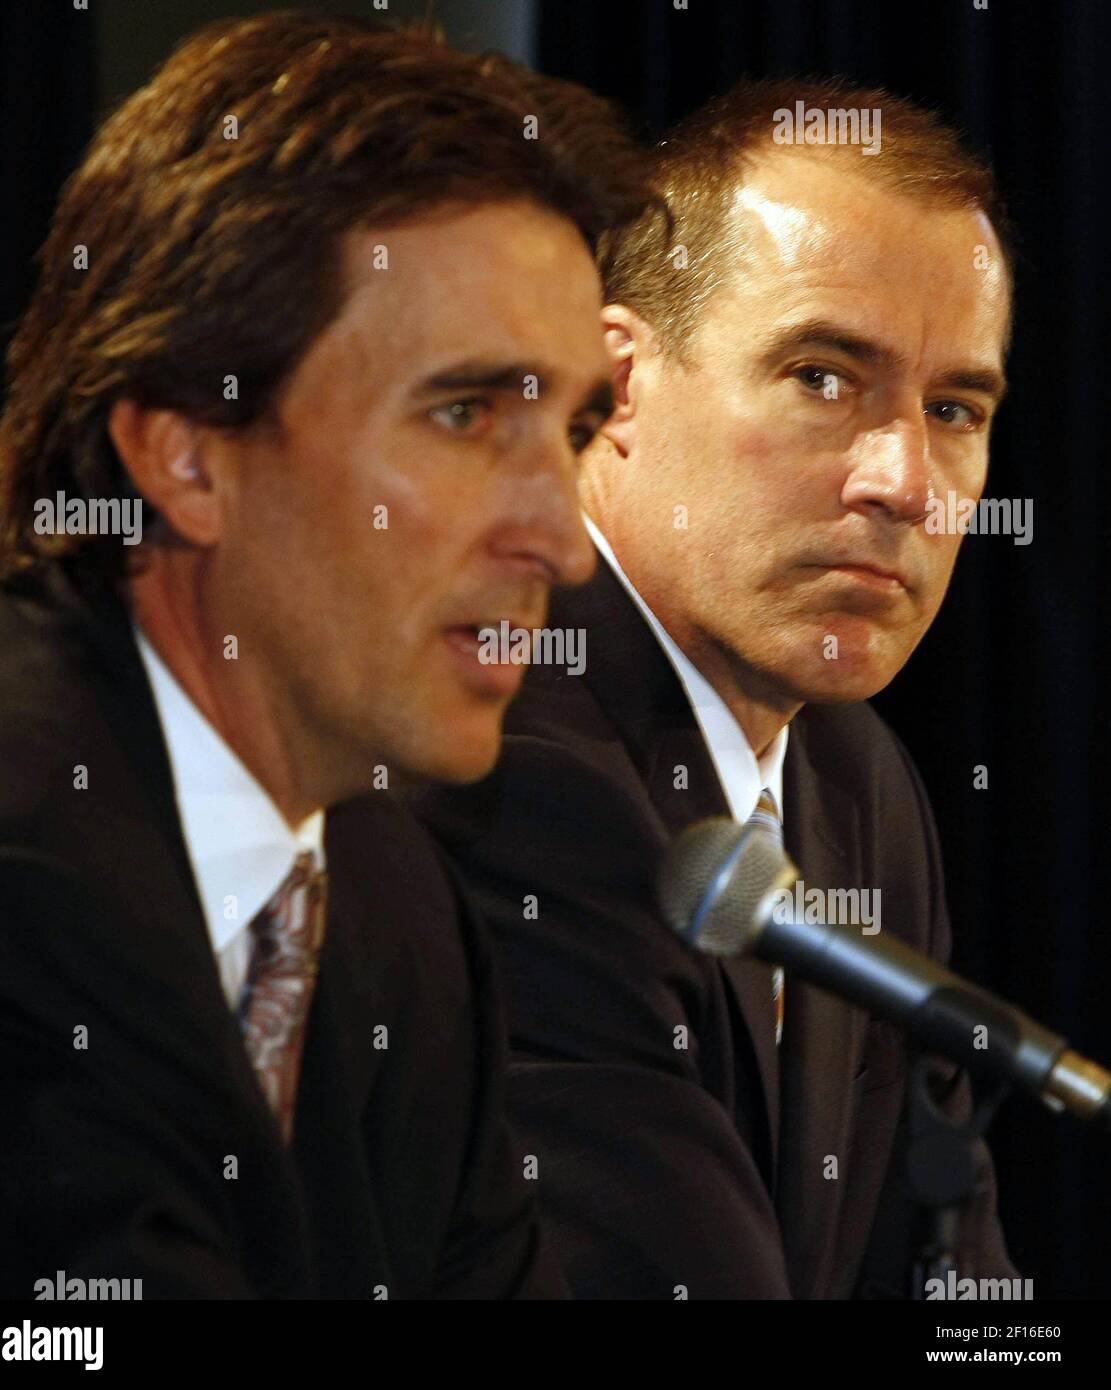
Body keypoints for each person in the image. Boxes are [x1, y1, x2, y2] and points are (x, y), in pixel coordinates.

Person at [0, 12, 656, 1298]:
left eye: (573, 427)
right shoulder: (1, 873)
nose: (563, 537)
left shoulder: (391, 901)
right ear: (186, 453)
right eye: (463, 414)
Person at [412, 77, 1018, 1298]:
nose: (903, 480)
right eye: (821, 377)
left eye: (953, 407)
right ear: (615, 382)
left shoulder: (860, 783)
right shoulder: (507, 750)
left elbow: (947, 1264)